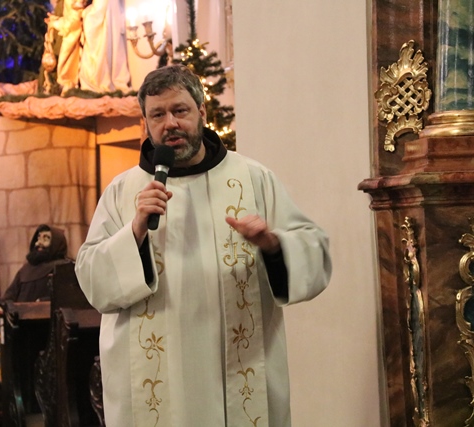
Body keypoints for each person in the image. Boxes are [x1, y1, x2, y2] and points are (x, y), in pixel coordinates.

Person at [74, 65, 332, 426]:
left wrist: (273, 245)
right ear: (146, 123)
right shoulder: (123, 191)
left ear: (202, 112)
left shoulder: (252, 178)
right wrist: (134, 231)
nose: (170, 124)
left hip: (236, 373)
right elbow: (91, 278)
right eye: (157, 115)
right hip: (157, 388)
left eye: (180, 110)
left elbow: (314, 251)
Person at [0, 224, 70, 304]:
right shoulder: (26, 269)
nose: (39, 243)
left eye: (46, 238)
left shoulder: (64, 267)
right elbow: (10, 295)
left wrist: (43, 302)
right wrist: (2, 306)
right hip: (20, 312)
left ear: (56, 243)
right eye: (38, 238)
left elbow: (66, 297)